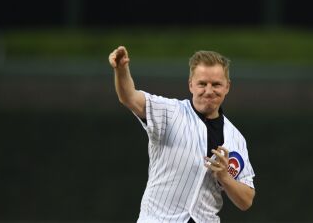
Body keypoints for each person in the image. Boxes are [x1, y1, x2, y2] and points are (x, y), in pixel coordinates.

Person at [109, 46, 255, 223]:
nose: (209, 91)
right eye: (202, 83)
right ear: (191, 84)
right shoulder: (171, 112)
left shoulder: (235, 138)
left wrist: (225, 177)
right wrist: (121, 70)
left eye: (216, 84)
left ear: (227, 87)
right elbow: (129, 97)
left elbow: (246, 200)